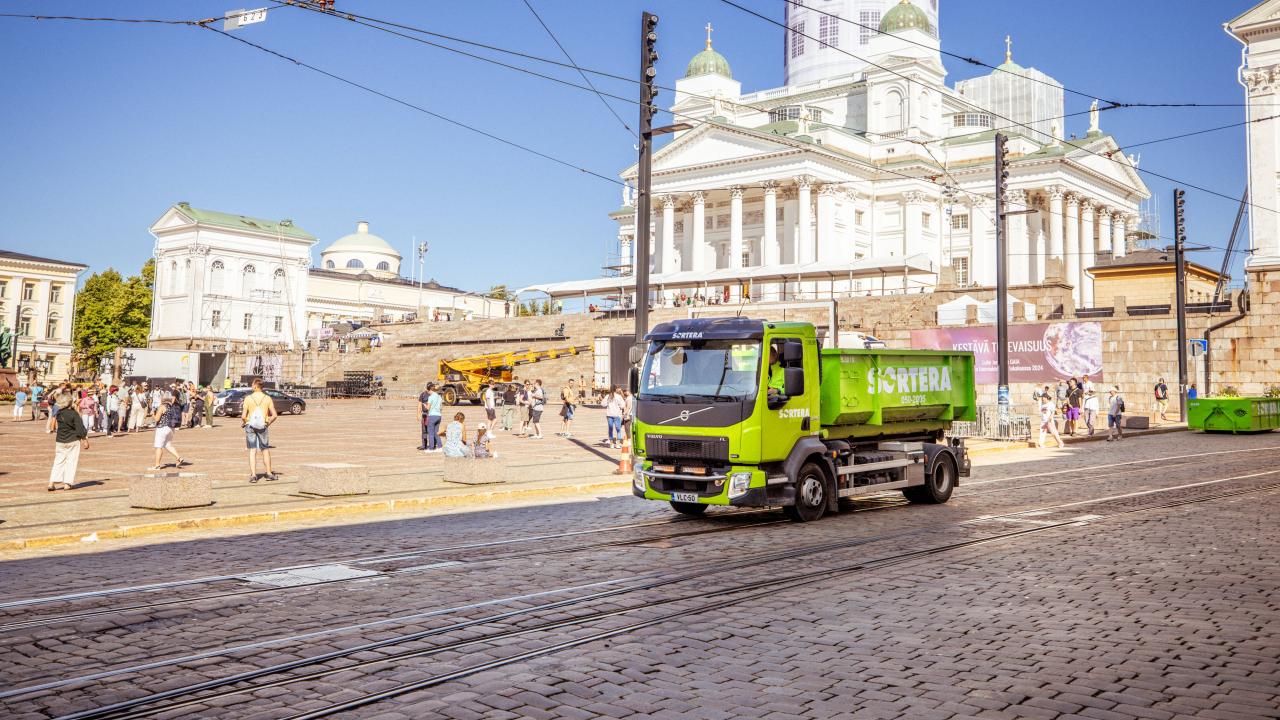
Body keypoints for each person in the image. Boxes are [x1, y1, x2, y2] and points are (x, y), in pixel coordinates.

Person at [47, 392, 87, 491]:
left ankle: (51, 482)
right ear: (70, 402)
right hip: (72, 440)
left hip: (60, 440)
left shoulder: (59, 413)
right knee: (71, 462)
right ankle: (67, 484)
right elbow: (80, 428)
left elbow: (55, 425)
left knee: (58, 461)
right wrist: (84, 439)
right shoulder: (74, 414)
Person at [241, 378, 278, 481]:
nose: (252, 386)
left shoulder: (248, 398)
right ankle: (269, 474)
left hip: (250, 426)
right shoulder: (267, 398)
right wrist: (267, 424)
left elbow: (243, 416)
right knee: (265, 449)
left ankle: (253, 475)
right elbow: (274, 415)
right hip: (262, 426)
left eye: (252, 384)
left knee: (252, 450)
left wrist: (245, 422)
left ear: (255, 386)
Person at [151, 393, 187, 470]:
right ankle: (179, 458)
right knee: (168, 445)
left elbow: (157, 419)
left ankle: (157, 465)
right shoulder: (172, 406)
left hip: (162, 428)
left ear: (163, 399)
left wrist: (152, 415)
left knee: (158, 447)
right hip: (171, 428)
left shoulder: (162, 406)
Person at [423, 384, 444, 453]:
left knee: (431, 432)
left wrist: (425, 405)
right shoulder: (439, 397)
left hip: (432, 416)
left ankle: (431, 448)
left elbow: (428, 408)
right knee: (436, 432)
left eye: (427, 390)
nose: (427, 392)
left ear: (430, 390)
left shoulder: (431, 397)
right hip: (439, 416)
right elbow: (441, 407)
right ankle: (440, 446)